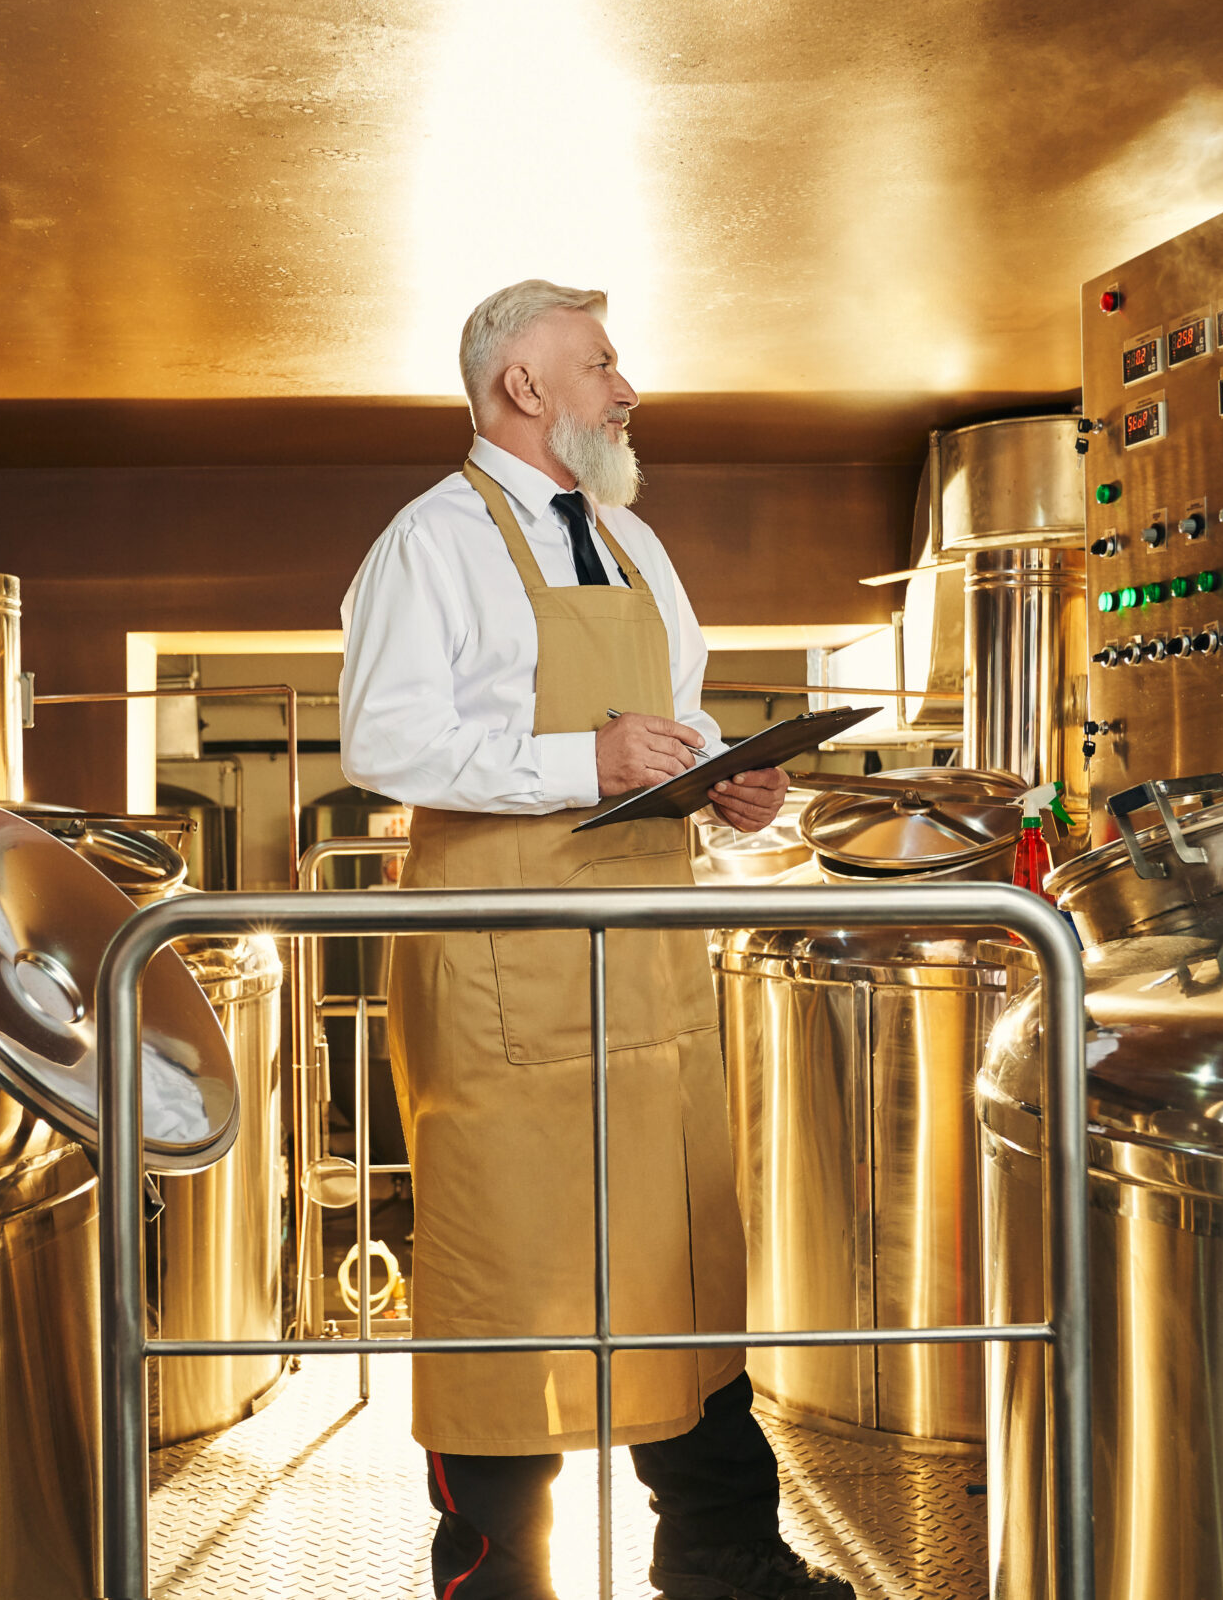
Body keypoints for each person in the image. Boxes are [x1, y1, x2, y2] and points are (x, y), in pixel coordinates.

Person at [339, 279, 853, 1600]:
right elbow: (387, 744)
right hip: (506, 972)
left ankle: (724, 1560)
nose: (628, 389)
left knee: (685, 1257)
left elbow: (664, 730)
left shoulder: (635, 544)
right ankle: (495, 1579)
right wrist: (593, 756)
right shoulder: (429, 542)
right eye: (604, 364)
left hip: (650, 960)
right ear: (523, 386)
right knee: (506, 1279)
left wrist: (730, 782)